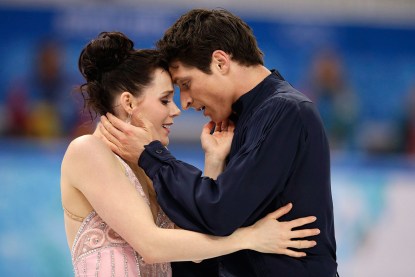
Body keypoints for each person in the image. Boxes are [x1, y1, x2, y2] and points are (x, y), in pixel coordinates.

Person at [100, 8, 339, 277]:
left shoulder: (286, 112)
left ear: (221, 62)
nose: (186, 102)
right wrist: (213, 163)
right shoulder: (248, 117)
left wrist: (152, 157)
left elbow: (220, 212)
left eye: (186, 84)